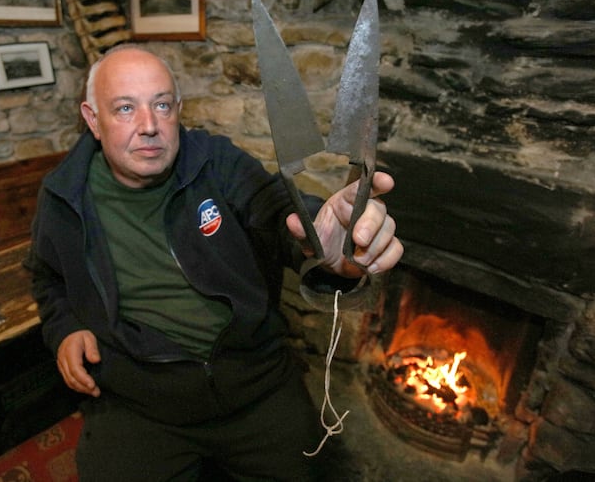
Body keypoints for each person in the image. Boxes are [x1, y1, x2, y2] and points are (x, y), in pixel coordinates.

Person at [28, 44, 403, 481]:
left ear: (179, 110)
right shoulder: (63, 198)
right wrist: (65, 329)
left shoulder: (215, 162)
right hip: (141, 399)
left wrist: (324, 238)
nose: (149, 126)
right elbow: (47, 277)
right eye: (125, 108)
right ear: (93, 120)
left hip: (253, 384)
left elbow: (274, 205)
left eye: (162, 105)